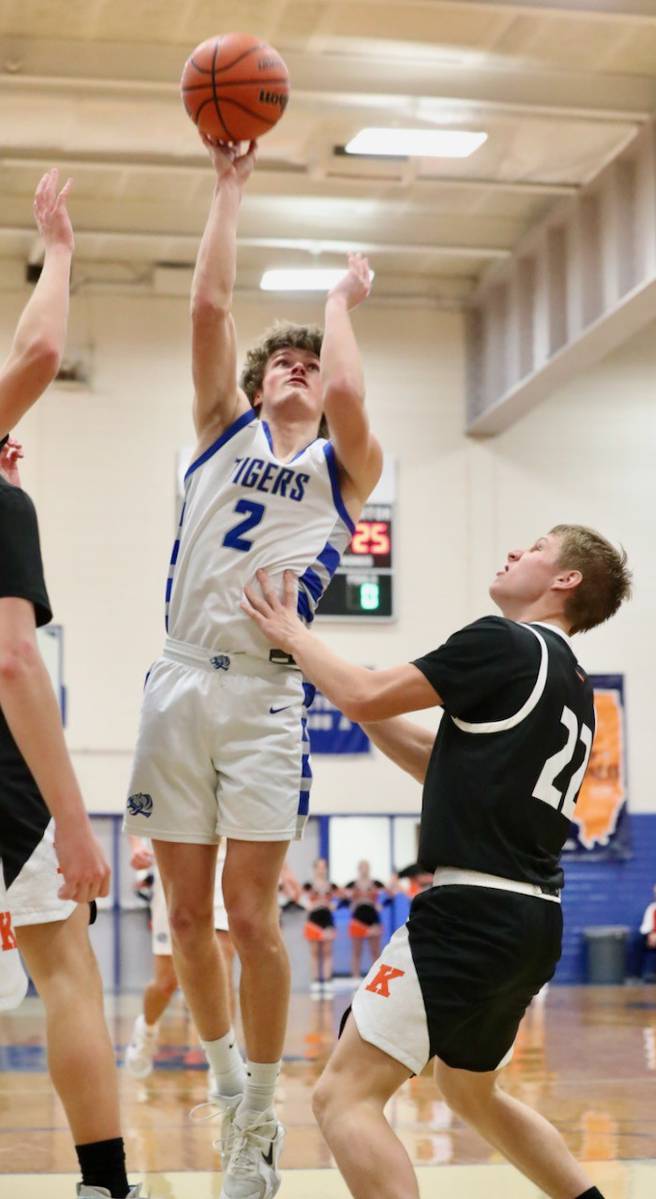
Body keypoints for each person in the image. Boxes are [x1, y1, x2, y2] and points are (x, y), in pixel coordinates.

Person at [123, 135, 383, 1199]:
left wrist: (337, 305)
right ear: (254, 383)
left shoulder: (340, 468)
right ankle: (229, 1089)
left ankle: (261, 1117)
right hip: (179, 678)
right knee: (181, 916)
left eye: (308, 366)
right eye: (281, 360)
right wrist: (228, 190)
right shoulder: (221, 433)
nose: (295, 370)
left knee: (249, 912)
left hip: (265, 692)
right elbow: (204, 313)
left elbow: (354, 397)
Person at [242, 522, 632, 1199]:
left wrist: (295, 636)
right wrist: (348, 693)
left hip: (471, 912)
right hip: (533, 917)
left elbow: (367, 693)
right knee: (471, 1092)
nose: (514, 549)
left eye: (537, 548)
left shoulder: (503, 640)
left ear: (566, 580)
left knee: (343, 1095)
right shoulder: (572, 681)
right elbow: (440, 764)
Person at [0, 171, 141, 1198]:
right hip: (11, 781)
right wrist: (61, 252)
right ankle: (105, 1182)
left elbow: (24, 357)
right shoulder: (5, 504)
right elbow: (12, 663)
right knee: (65, 971)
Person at [124, 835, 236, 1081]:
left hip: (223, 860)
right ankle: (147, 1030)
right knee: (167, 982)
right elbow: (139, 798)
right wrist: (136, 845)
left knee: (222, 957)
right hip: (175, 863)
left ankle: (223, 1072)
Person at [302, 857, 339, 998]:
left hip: (327, 918)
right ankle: (316, 983)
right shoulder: (309, 885)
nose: (322, 869)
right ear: (315, 868)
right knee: (315, 952)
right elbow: (303, 901)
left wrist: (329, 904)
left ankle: (327, 982)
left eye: (324, 867)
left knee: (327, 951)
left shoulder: (331, 886)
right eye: (319, 867)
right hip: (314, 919)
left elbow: (337, 902)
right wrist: (314, 904)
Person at [345, 859, 385, 980]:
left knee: (375, 950)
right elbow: (346, 900)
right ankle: (355, 977)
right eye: (362, 867)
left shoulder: (376, 884)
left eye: (366, 866)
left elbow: (387, 896)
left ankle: (376, 977)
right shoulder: (352, 885)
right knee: (357, 950)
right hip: (358, 916)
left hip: (372, 916)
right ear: (358, 868)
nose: (364, 869)